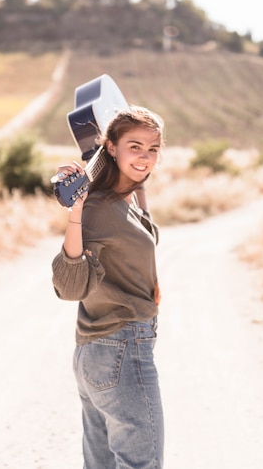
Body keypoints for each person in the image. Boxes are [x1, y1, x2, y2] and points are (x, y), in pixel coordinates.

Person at [51, 105, 165, 469]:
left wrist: (127, 178)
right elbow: (70, 287)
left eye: (153, 149)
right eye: (135, 147)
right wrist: (76, 210)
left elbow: (148, 230)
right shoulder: (98, 209)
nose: (146, 157)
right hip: (122, 349)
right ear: (112, 147)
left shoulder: (123, 200)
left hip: (96, 353)